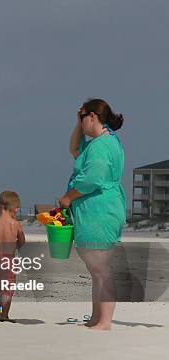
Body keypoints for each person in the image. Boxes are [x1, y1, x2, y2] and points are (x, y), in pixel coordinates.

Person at [59, 99, 125, 330]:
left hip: (100, 212)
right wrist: (79, 123)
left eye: (84, 116)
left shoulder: (102, 145)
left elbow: (92, 179)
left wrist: (69, 196)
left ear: (93, 117)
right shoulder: (103, 141)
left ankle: (104, 321)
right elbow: (74, 149)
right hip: (97, 211)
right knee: (97, 270)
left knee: (101, 269)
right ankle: (97, 318)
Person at [0, 191, 26, 321]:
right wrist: (18, 246)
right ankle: (4, 314)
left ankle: (0, 298)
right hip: (8, 259)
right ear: (14, 208)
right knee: (8, 288)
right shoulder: (15, 224)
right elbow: (22, 241)